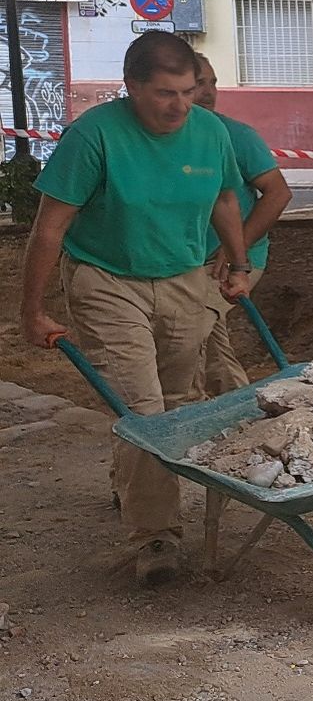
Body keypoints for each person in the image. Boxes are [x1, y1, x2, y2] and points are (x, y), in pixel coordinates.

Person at [19, 32, 253, 587]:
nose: (180, 106)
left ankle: (131, 482)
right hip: (107, 280)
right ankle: (156, 535)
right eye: (166, 93)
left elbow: (224, 199)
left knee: (176, 405)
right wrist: (31, 311)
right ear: (131, 87)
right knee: (142, 411)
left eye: (188, 91)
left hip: (183, 278)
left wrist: (239, 265)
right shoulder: (94, 135)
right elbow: (50, 227)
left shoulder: (210, 132)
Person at [194, 55, 293, 395]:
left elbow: (279, 193)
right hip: (187, 260)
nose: (208, 92)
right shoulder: (168, 138)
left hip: (232, 259)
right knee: (204, 337)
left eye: (212, 83)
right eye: (199, 83)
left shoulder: (236, 135)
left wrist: (237, 248)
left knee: (194, 327)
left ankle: (215, 407)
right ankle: (233, 406)